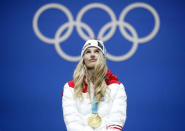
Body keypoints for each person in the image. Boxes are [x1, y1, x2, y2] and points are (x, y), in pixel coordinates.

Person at [62, 39, 127, 131]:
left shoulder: (117, 87)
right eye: (88, 52)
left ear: (103, 56)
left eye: (97, 51)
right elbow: (72, 121)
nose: (92, 54)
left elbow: (116, 119)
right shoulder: (70, 87)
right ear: (83, 57)